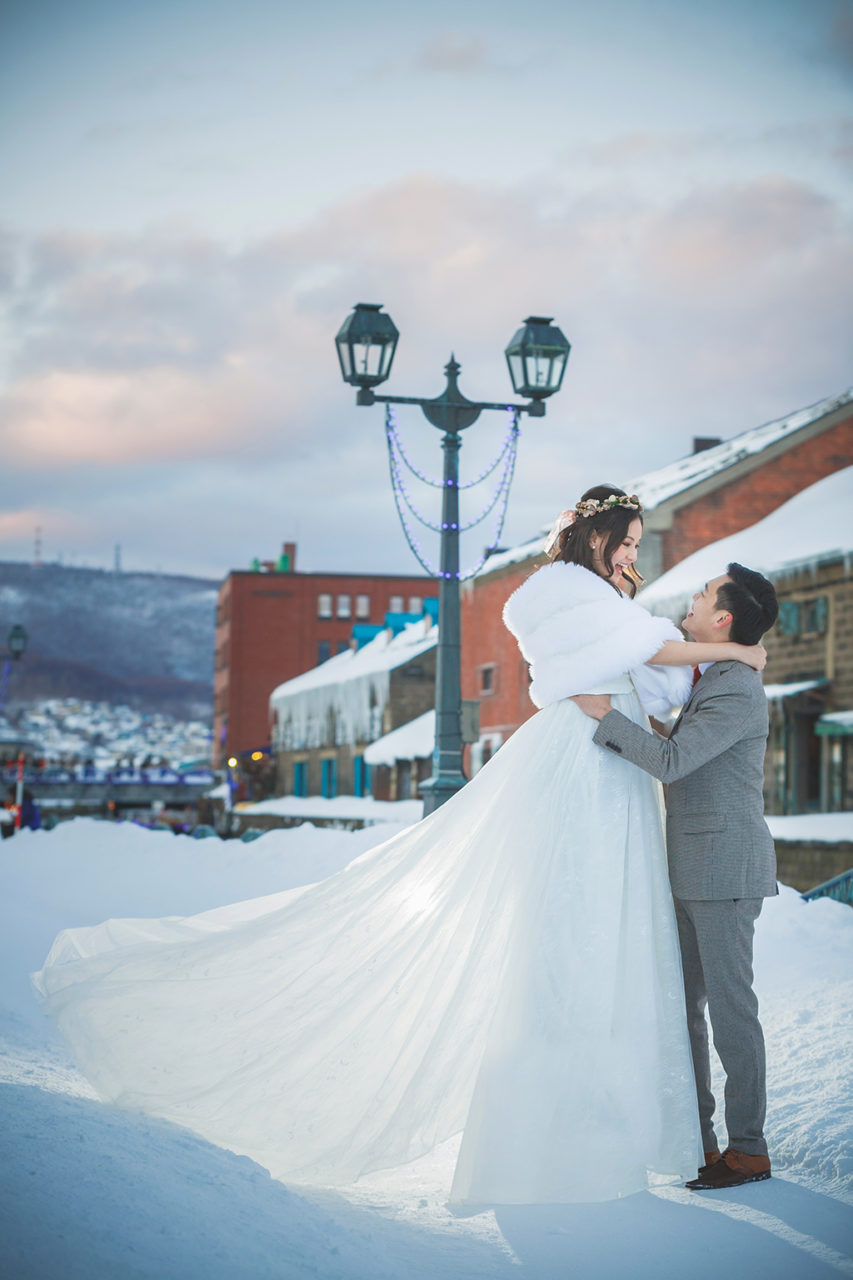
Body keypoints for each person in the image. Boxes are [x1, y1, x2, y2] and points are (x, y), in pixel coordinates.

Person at [33, 487, 767, 1205]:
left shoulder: (596, 600)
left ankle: (660, 1129)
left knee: (614, 946)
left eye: (639, 543)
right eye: (630, 541)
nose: (636, 555)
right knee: (576, 937)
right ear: (596, 538)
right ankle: (596, 1131)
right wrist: (735, 649)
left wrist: (712, 659)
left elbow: (657, 676)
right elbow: (647, 648)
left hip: (615, 769)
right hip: (594, 763)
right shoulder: (573, 593)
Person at [572, 562, 779, 1190]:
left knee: (730, 1012)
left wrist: (604, 717)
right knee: (685, 1012)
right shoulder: (717, 675)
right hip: (692, 868)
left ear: (723, 618)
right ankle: (700, 1141)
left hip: (725, 871)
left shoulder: (736, 685)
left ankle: (748, 1150)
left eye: (703, 594)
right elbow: (686, 749)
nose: (691, 599)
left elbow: (673, 763)